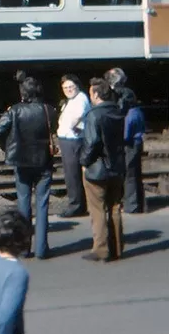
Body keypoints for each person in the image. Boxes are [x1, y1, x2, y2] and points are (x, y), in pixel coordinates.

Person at [0, 77, 58, 260]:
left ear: (24, 93)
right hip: (44, 161)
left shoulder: (15, 110)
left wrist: (8, 147)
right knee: (43, 205)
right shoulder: (49, 110)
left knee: (23, 204)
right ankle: (42, 249)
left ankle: (23, 248)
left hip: (21, 162)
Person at [79, 77, 127, 262]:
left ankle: (101, 248)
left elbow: (92, 143)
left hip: (97, 169)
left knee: (97, 209)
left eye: (91, 93)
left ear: (97, 94)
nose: (90, 96)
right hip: (116, 166)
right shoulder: (118, 112)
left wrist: (84, 162)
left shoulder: (94, 115)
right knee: (114, 207)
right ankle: (117, 248)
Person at [56, 74, 91, 218]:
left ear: (77, 86)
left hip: (73, 140)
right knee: (72, 173)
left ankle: (76, 206)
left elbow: (78, 115)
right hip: (68, 140)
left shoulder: (80, 98)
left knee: (72, 174)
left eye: (71, 87)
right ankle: (78, 204)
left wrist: (71, 127)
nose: (68, 89)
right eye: (65, 88)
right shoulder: (73, 99)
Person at [123, 101, 145, 214]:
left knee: (129, 174)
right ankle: (140, 203)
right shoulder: (139, 111)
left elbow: (126, 135)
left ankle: (131, 205)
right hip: (139, 141)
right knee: (137, 174)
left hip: (131, 144)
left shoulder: (129, 115)